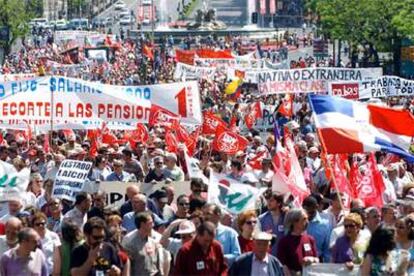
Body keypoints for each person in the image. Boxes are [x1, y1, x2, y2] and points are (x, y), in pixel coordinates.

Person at [121, 211, 170, 276]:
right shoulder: (130, 244)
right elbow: (126, 266)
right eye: (150, 223)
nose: (153, 225)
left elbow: (158, 265)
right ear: (142, 224)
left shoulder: (153, 242)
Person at [277, 208, 319, 274]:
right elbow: (282, 264)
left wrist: (312, 260)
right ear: (294, 222)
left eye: (307, 218)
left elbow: (317, 259)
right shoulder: (284, 242)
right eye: (304, 219)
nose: (307, 222)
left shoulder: (310, 239)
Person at [302, 195, 331, 262]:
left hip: (317, 261)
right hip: (299, 261)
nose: (308, 214)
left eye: (310, 211)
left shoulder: (324, 225)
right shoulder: (297, 221)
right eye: (306, 211)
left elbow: (326, 249)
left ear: (316, 207)